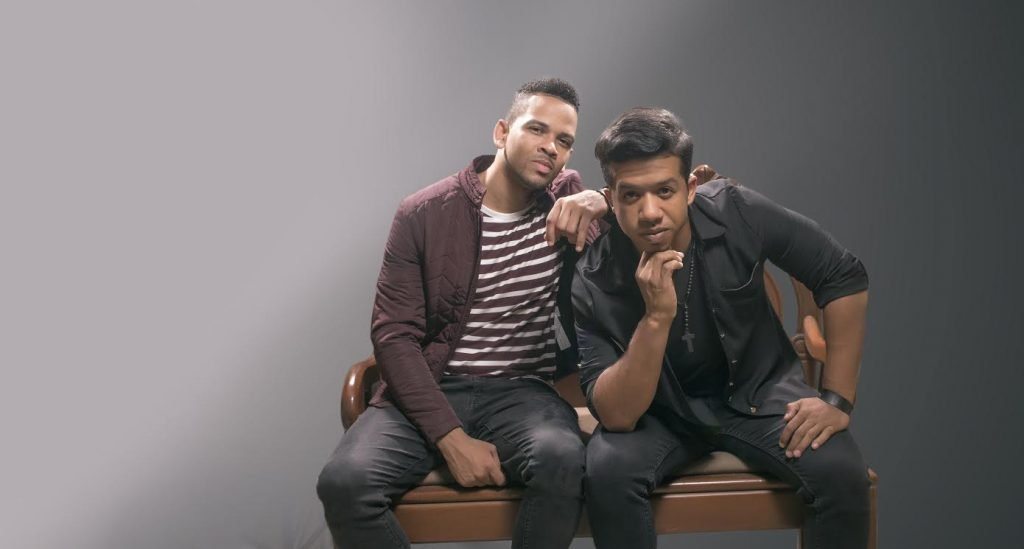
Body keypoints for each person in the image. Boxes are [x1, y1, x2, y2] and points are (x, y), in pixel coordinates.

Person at [316, 78, 609, 549]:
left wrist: (604, 199)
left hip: (523, 392)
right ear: (501, 132)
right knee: (344, 484)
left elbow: (634, 249)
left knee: (562, 460)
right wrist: (450, 437)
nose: (550, 147)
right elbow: (393, 335)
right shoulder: (423, 212)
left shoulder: (566, 205)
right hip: (431, 387)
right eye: (537, 129)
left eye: (563, 140)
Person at [573, 107, 871, 549]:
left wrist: (837, 399)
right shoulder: (594, 275)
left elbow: (842, 274)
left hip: (761, 398)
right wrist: (655, 319)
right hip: (658, 416)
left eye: (665, 191)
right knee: (608, 473)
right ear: (610, 200)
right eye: (631, 196)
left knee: (840, 473)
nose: (650, 212)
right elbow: (617, 416)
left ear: (690, 189)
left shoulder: (738, 211)